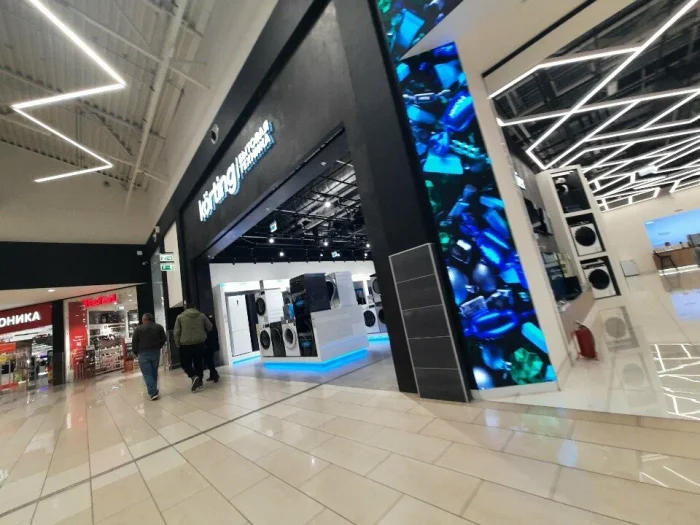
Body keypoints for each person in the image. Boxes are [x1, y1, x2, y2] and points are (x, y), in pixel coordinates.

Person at [174, 303, 212, 392]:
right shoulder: (202, 316)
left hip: (185, 344)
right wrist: (202, 332)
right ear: (195, 307)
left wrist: (177, 343)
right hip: (200, 343)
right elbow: (210, 327)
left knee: (185, 363)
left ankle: (193, 376)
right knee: (198, 362)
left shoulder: (180, 317)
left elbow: (176, 332)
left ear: (185, 308)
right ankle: (200, 382)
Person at [132, 313, 167, 401]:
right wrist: (158, 346)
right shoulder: (159, 327)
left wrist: (135, 352)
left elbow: (134, 342)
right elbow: (164, 338)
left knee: (147, 373)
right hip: (155, 352)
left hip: (143, 353)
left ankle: (153, 393)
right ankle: (154, 389)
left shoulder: (138, 329)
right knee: (154, 372)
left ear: (143, 320)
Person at [204, 315, 220, 383]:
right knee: (210, 360)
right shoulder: (212, 322)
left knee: (208, 360)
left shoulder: (206, 325)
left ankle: (214, 374)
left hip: (207, 345)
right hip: (212, 344)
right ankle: (213, 374)